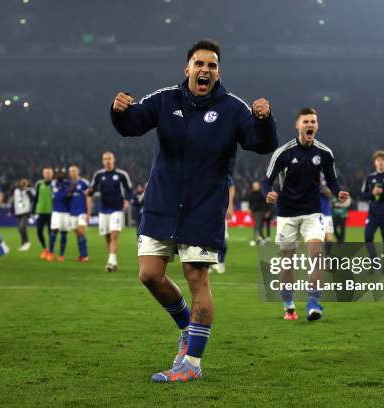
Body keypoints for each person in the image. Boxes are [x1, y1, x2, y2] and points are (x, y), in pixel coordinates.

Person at [110, 39, 278, 382]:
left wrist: (264, 121)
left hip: (203, 208)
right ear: (188, 68)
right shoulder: (164, 99)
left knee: (196, 278)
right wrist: (120, 110)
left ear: (218, 73)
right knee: (149, 275)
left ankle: (191, 365)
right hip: (163, 204)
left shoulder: (233, 108)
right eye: (200, 64)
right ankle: (188, 327)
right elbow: (132, 125)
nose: (205, 70)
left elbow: (261, 143)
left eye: (212, 66)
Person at [263, 107, 349, 321]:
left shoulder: (325, 153)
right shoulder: (284, 152)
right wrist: (268, 194)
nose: (310, 125)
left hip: (312, 212)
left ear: (316, 126)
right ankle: (288, 304)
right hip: (287, 214)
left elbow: (332, 180)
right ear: (298, 125)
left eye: (313, 122)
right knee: (287, 263)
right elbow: (267, 181)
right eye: (306, 122)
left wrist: (338, 192)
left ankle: (313, 302)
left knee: (316, 255)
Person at [89, 151, 132, 272]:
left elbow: (129, 189)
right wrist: (89, 192)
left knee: (114, 234)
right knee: (107, 237)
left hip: (117, 209)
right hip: (103, 210)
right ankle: (113, 261)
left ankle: (111, 261)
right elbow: (92, 188)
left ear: (114, 160)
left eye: (109, 158)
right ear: (103, 161)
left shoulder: (121, 174)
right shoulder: (98, 175)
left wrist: (127, 200)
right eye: (105, 159)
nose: (107, 161)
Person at [211, 175, 235, 274]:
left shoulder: (222, 171)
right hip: (205, 211)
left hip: (220, 210)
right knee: (205, 240)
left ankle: (220, 261)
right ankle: (208, 263)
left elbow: (231, 187)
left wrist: (230, 206)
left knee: (222, 239)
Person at [67, 165, 91, 262]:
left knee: (81, 232)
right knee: (78, 234)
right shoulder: (68, 184)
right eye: (71, 171)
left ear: (78, 171)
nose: (73, 172)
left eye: (74, 171)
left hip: (82, 211)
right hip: (72, 212)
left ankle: (85, 255)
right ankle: (82, 255)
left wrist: (89, 213)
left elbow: (88, 197)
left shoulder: (84, 183)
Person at [47, 167, 70, 262]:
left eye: (61, 173)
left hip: (66, 212)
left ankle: (61, 254)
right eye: (58, 173)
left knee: (64, 233)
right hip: (56, 211)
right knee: (54, 232)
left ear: (64, 174)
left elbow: (66, 196)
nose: (59, 174)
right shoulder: (53, 184)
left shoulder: (68, 183)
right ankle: (51, 252)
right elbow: (59, 195)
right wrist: (67, 193)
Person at [33, 167, 54, 259]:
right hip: (40, 211)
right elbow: (36, 197)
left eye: (49, 173)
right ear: (43, 174)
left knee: (51, 233)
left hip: (51, 212)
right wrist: (33, 209)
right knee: (39, 232)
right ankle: (45, 249)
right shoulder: (39, 184)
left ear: (52, 174)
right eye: (46, 173)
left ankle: (50, 251)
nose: (47, 175)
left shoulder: (54, 184)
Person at [8, 178, 34, 251]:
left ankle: (27, 242)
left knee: (22, 227)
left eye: (25, 182)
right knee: (19, 228)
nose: (23, 184)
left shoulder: (29, 190)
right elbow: (14, 201)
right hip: (18, 212)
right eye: (22, 182)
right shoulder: (16, 190)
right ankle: (23, 244)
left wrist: (27, 190)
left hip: (26, 211)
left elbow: (33, 199)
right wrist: (10, 210)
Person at [248, 180, 267, 246]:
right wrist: (250, 209)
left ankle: (253, 240)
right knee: (258, 226)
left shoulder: (262, 193)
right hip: (254, 212)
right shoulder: (251, 193)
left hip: (260, 212)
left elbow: (265, 203)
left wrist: (266, 211)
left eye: (256, 185)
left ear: (259, 186)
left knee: (257, 225)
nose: (254, 186)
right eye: (254, 185)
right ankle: (263, 239)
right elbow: (250, 202)